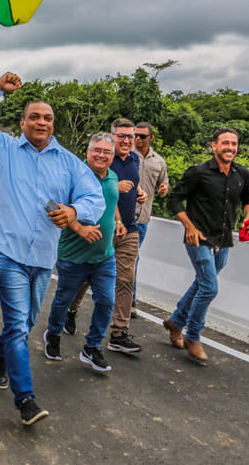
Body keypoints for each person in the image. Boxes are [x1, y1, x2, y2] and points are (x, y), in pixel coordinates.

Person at [0, 72, 104, 426]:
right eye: (35, 117)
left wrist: (75, 212)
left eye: (48, 118)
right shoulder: (3, 148)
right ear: (23, 122)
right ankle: (25, 398)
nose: (42, 122)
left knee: (24, 324)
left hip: (43, 255)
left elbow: (94, 197)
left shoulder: (69, 162)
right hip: (6, 250)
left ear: (53, 125)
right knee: (16, 322)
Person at [163, 127, 249, 362]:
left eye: (234, 144)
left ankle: (176, 322)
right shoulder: (198, 172)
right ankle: (193, 337)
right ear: (214, 146)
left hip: (223, 239)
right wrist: (189, 226)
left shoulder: (241, 174)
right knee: (209, 287)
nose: (230, 148)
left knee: (202, 284)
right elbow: (174, 198)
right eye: (225, 143)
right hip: (198, 239)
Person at [43, 133, 124, 373]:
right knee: (64, 299)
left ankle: (92, 346)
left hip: (104, 255)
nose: (101, 155)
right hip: (73, 255)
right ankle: (53, 334)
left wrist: (118, 220)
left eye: (107, 152)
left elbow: (112, 202)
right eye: (97, 150)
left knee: (107, 301)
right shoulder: (72, 175)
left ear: (112, 155)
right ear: (87, 152)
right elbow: (49, 203)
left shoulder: (112, 176)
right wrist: (79, 228)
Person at [104, 119, 148, 354]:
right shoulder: (103, 157)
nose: (127, 140)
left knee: (125, 279)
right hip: (104, 228)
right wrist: (113, 187)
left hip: (130, 229)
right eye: (121, 136)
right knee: (87, 277)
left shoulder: (134, 159)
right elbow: (90, 188)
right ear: (112, 136)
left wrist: (139, 192)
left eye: (131, 136)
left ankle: (118, 333)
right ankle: (70, 310)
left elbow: (135, 184)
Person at [132, 121, 169, 314]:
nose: (137, 139)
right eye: (135, 135)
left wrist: (164, 188)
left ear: (151, 138)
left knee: (133, 260)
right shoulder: (126, 156)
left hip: (143, 218)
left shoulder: (158, 161)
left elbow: (164, 183)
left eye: (142, 136)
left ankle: (129, 301)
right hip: (120, 216)